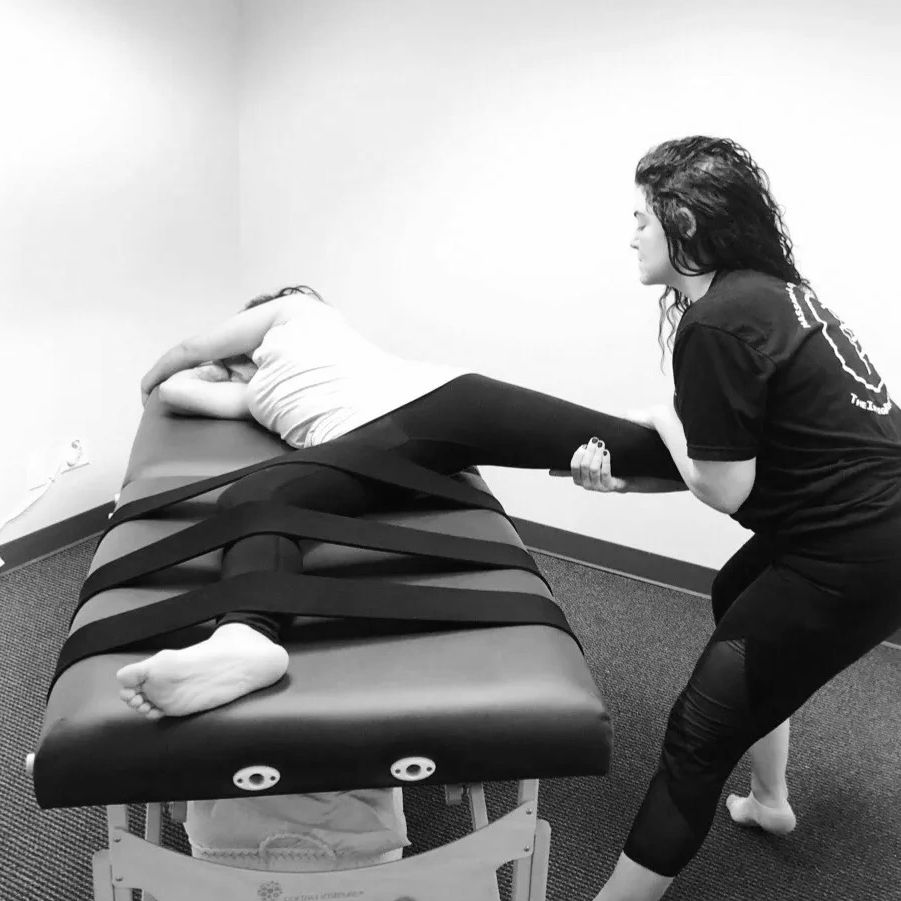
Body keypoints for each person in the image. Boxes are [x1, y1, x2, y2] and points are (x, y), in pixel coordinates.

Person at [567, 136, 901, 901]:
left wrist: (660, 419)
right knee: (736, 595)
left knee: (696, 735)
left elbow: (720, 488)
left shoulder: (716, 320)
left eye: (639, 220)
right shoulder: (771, 292)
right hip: (857, 533)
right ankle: (771, 802)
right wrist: (628, 482)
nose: (629, 236)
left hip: (846, 556)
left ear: (681, 220)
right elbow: (745, 465)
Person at [118, 285, 686, 721]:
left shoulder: (294, 309)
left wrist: (156, 369)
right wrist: (214, 373)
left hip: (436, 405)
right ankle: (244, 643)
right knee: (257, 497)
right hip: (393, 446)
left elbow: (183, 358)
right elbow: (179, 391)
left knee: (255, 496)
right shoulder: (253, 394)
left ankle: (686, 428)